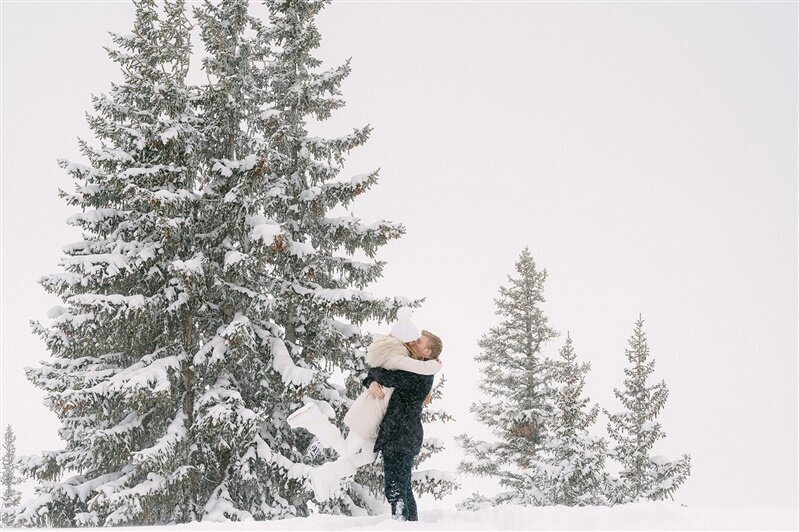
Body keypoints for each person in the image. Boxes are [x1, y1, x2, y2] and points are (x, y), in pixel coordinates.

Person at [286, 308, 442, 504]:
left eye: (418, 340)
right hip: (372, 409)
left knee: (368, 456)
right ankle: (315, 421)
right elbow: (399, 370)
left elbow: (387, 373)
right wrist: (436, 364)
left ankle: (325, 474)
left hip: (379, 414)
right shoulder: (400, 356)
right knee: (347, 451)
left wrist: (372, 380)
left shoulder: (405, 357)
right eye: (414, 338)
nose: (414, 340)